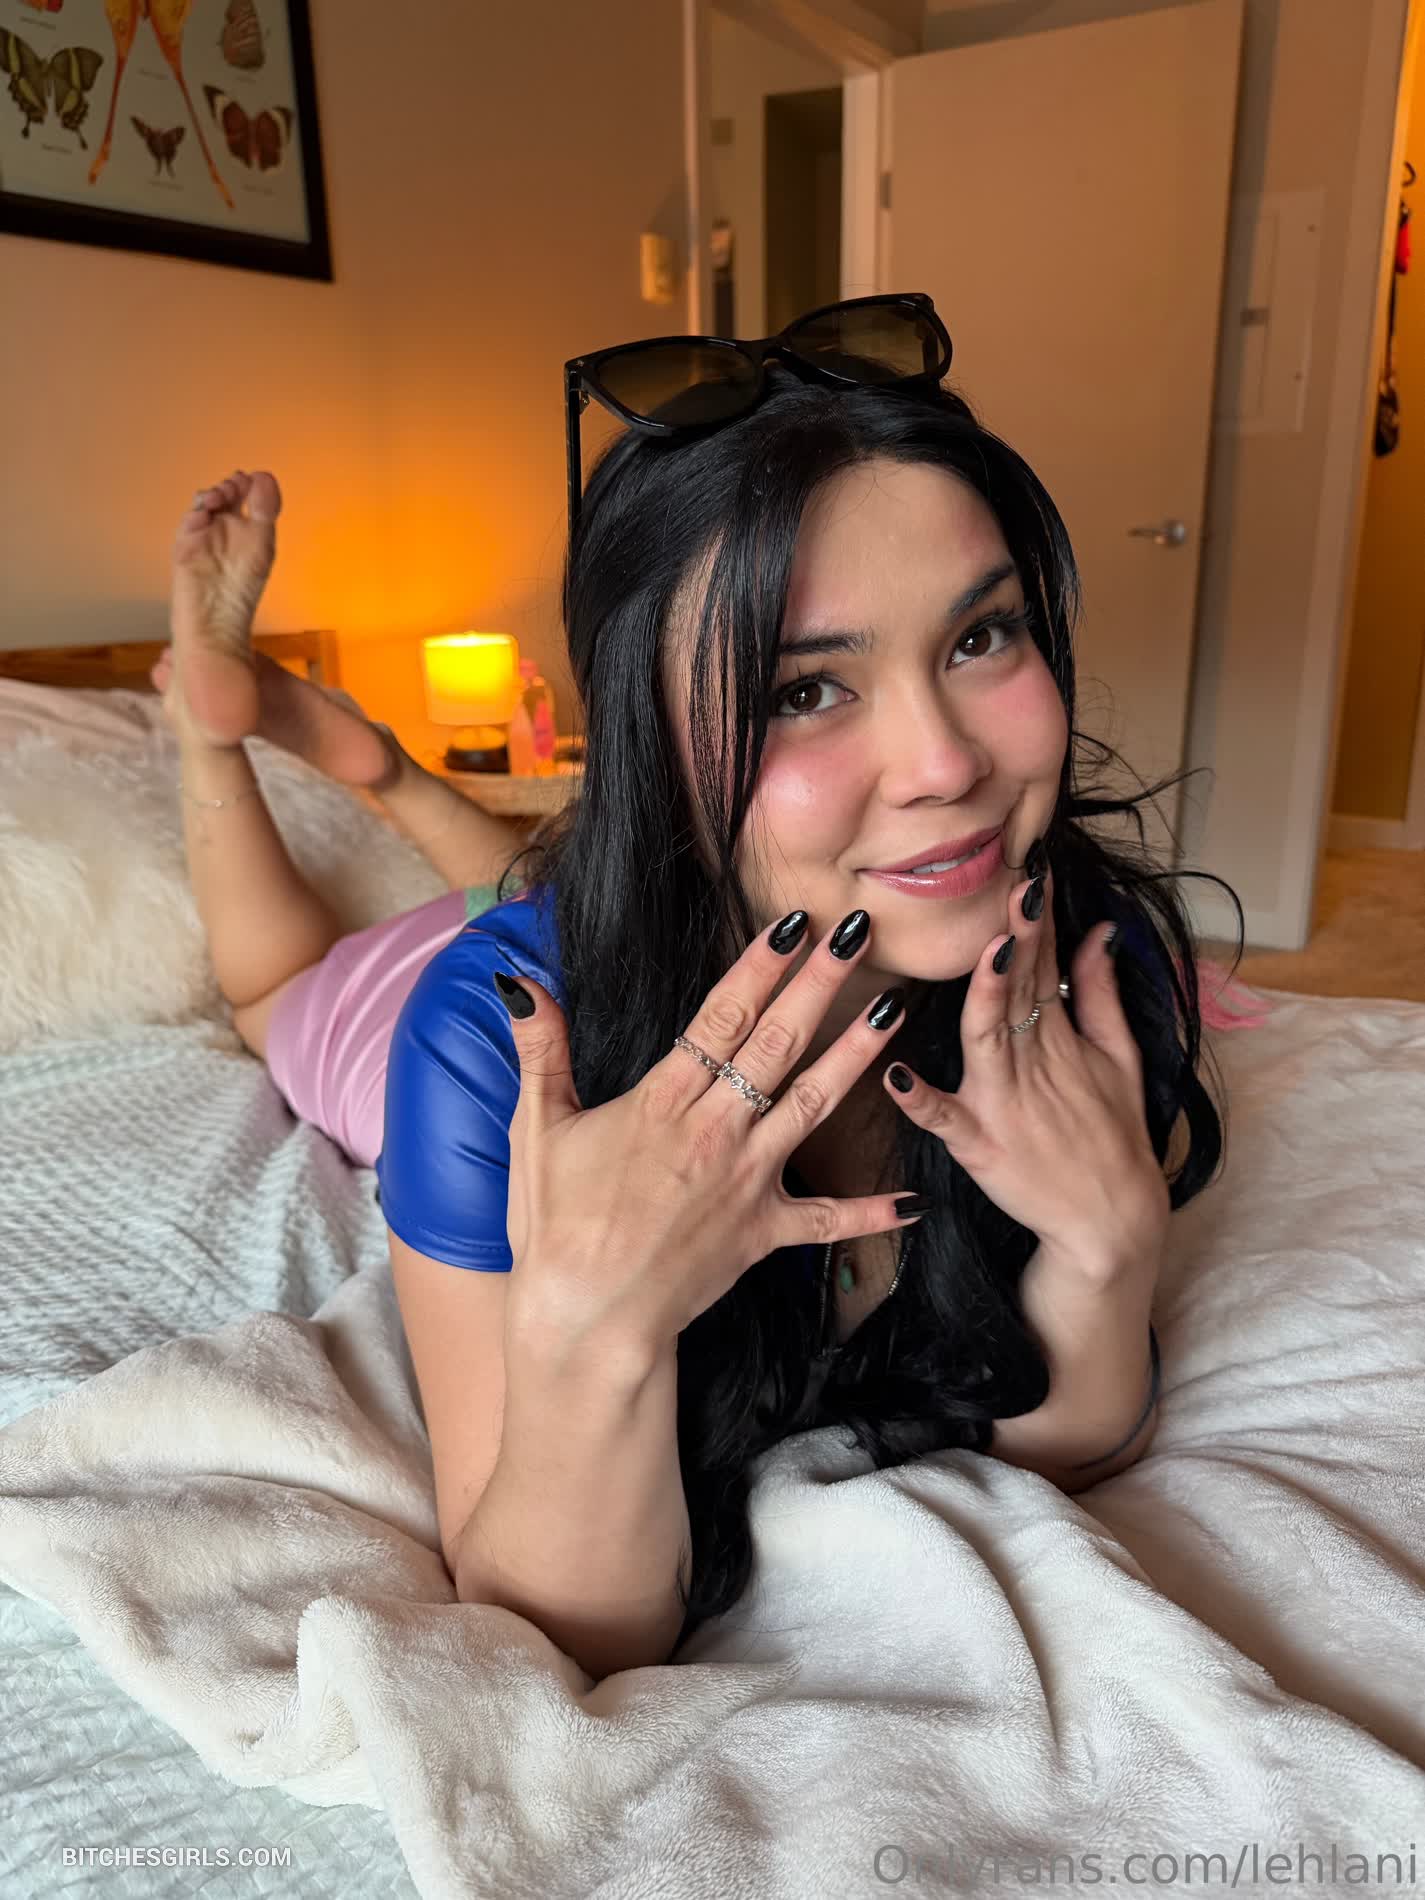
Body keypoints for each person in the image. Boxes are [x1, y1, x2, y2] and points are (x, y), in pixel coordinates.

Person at [167, 296, 1263, 1686]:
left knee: (523, 877)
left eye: (981, 637)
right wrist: (589, 1333)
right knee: (279, 996)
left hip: (661, 891)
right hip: (508, 979)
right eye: (803, 692)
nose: (946, 766)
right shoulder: (493, 1041)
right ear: (649, 742)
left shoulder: (1082, 960)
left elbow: (1068, 1450)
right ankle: (212, 734)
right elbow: (553, 1628)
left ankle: (377, 764)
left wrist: (1107, 1250)